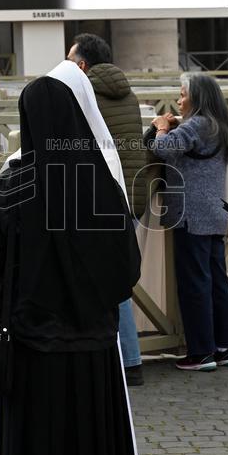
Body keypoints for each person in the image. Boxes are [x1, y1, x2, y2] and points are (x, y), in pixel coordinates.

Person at [0, 73, 143, 455]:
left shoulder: (13, 184)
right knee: (91, 454)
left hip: (30, 345)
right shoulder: (101, 185)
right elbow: (127, 271)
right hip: (91, 348)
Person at [147, 72, 228, 371]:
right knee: (217, 282)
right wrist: (178, 123)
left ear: (197, 98)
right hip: (213, 213)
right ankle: (227, 346)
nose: (178, 100)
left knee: (194, 284)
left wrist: (161, 127)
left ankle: (200, 353)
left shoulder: (198, 125)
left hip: (190, 215)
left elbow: (162, 149)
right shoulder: (219, 125)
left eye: (183, 94)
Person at [68, 32, 147, 386]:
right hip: (130, 192)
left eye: (70, 61)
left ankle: (117, 359)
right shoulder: (126, 92)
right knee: (119, 277)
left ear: (82, 65)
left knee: (101, 280)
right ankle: (130, 360)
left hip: (101, 195)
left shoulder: (85, 92)